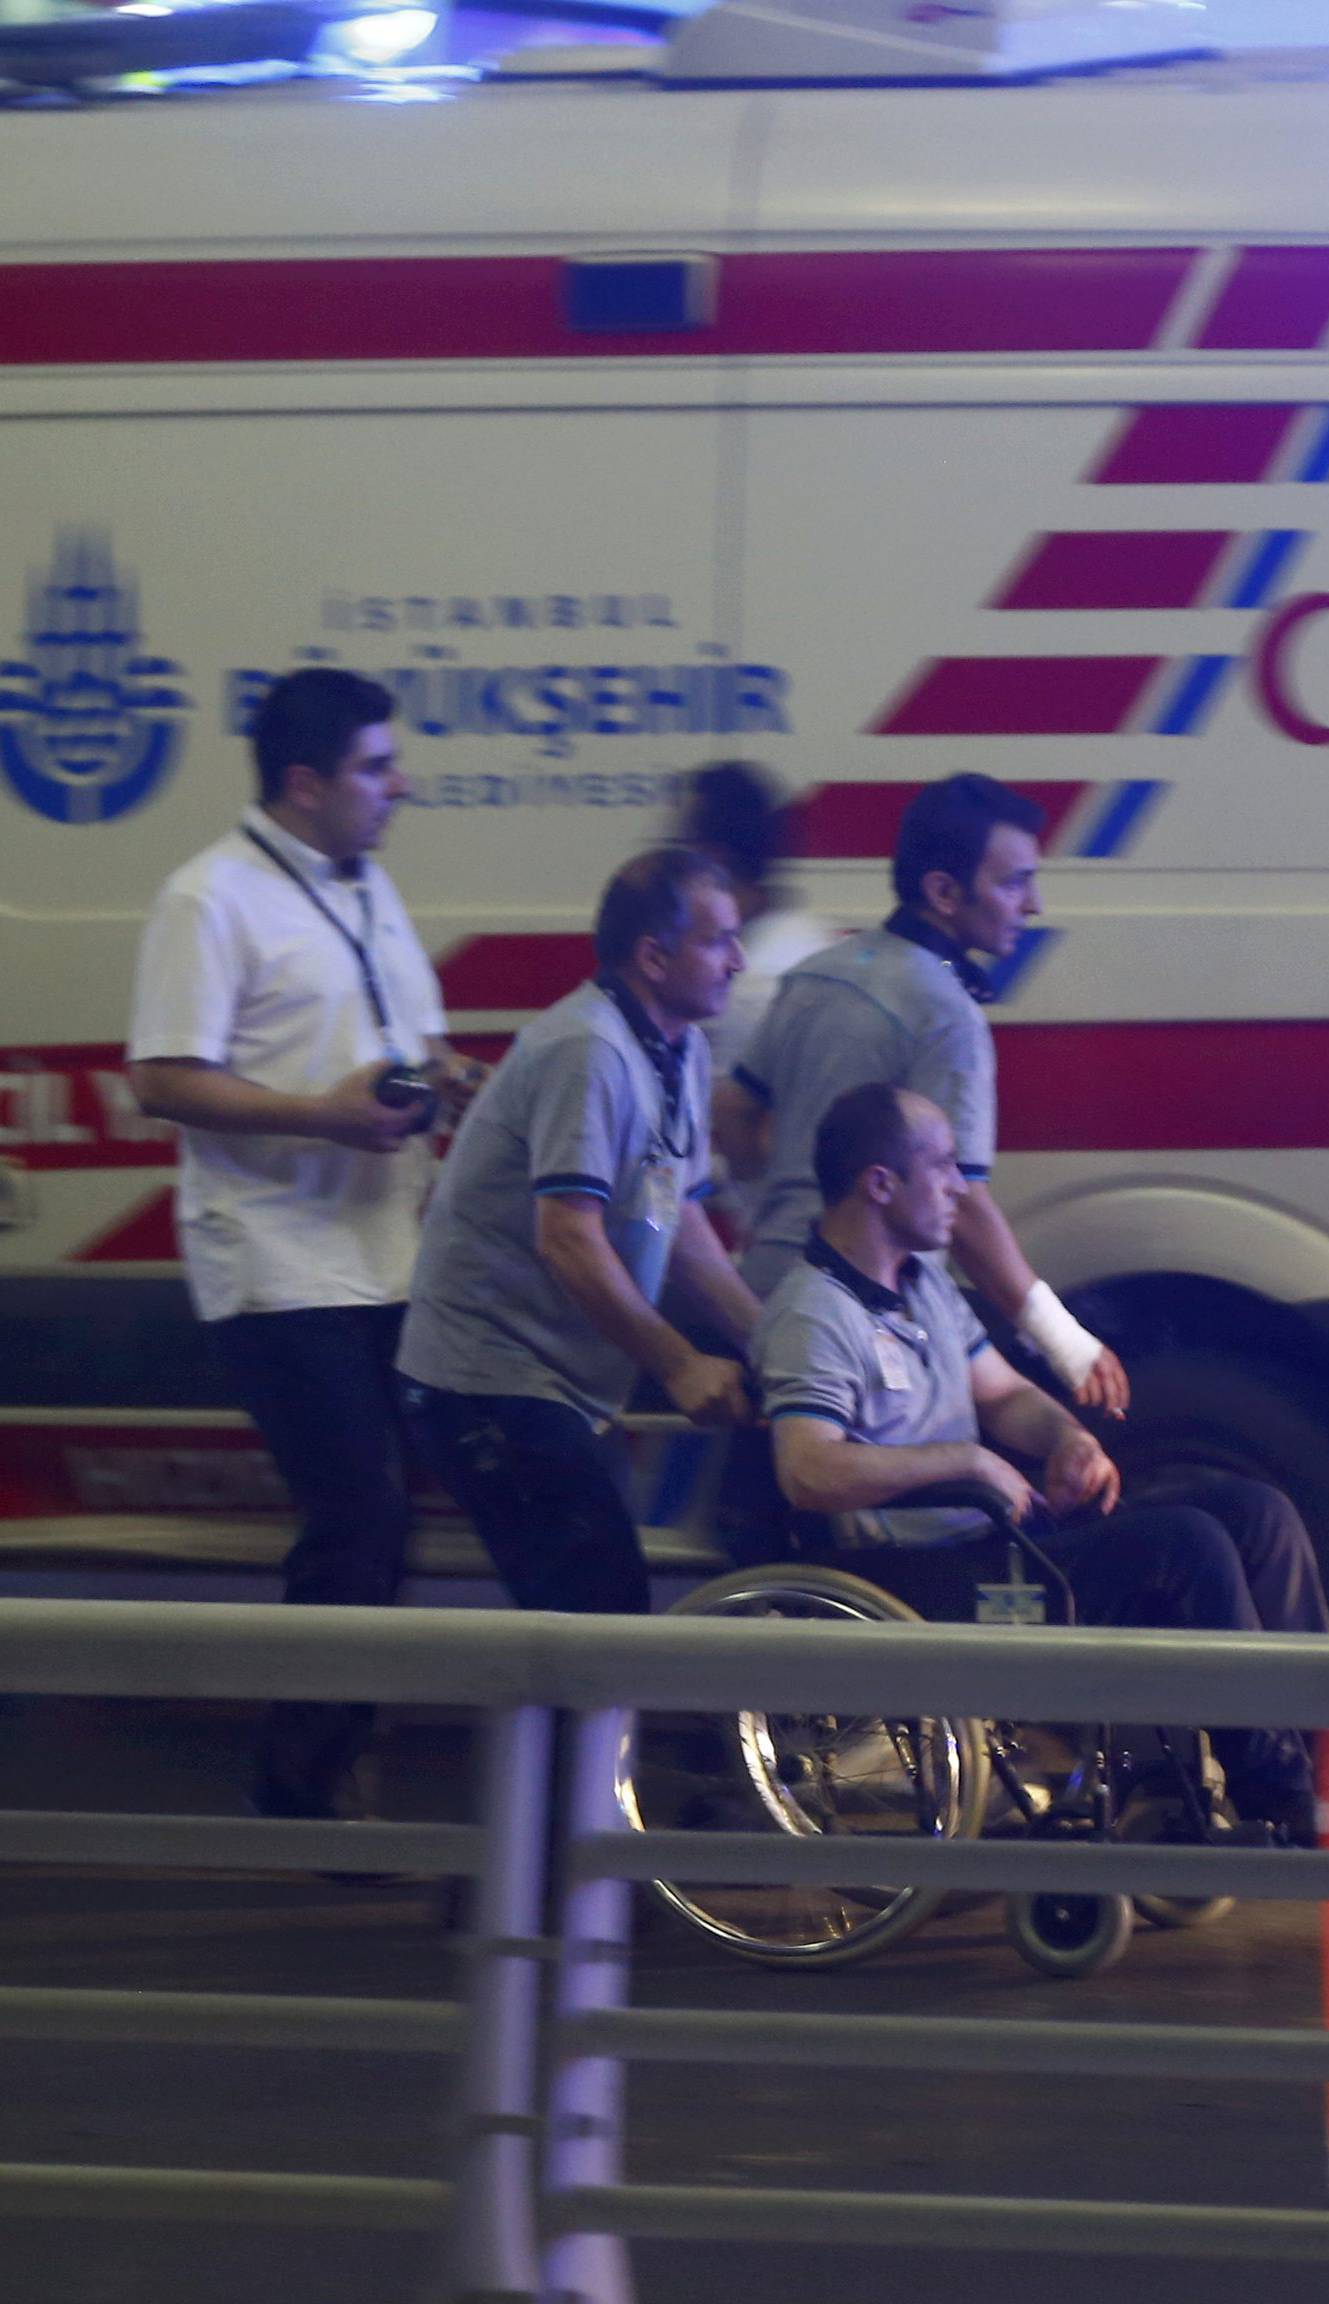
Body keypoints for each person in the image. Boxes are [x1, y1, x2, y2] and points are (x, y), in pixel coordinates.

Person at [752, 1082, 1329, 1840]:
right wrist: (964, 1461)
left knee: (1257, 1514)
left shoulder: (921, 1287)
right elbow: (807, 1470)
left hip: (992, 1542)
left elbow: (1003, 1398)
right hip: (924, 1579)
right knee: (1184, 1548)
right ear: (880, 1184)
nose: (961, 1187)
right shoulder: (813, 1313)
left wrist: (1067, 1440)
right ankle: (1278, 1795)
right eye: (943, 1166)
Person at [128, 665, 482, 1822]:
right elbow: (163, 1078)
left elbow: (403, 1040)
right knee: (359, 1514)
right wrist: (319, 1116)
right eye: (378, 768)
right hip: (277, 1261)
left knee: (388, 1520)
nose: (401, 786)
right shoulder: (209, 897)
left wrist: (455, 1080)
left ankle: (336, 1755)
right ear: (303, 782)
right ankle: (301, 1777)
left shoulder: (367, 885)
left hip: (383, 1251)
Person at [398, 846, 761, 1615]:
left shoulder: (681, 1047)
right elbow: (568, 1238)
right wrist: (679, 1363)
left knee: (592, 1615)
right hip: (489, 1380)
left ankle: (557, 1736)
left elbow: (681, 1215)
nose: (738, 959)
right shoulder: (588, 1049)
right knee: (598, 1615)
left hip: (555, 1385)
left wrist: (769, 1338)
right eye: (719, 940)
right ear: (654, 958)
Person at [716, 771, 1127, 1417]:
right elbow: (961, 1206)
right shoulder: (947, 1016)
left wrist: (792, 1185)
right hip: (870, 1320)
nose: (1033, 904)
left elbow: (735, 1119)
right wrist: (1063, 1340)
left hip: (770, 1294)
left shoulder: (814, 974)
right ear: (942, 891)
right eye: (1014, 881)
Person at [679, 760, 839, 1236]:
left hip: (791, 1239)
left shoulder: (745, 987)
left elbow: (748, 1148)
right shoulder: (818, 944)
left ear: (714, 860)